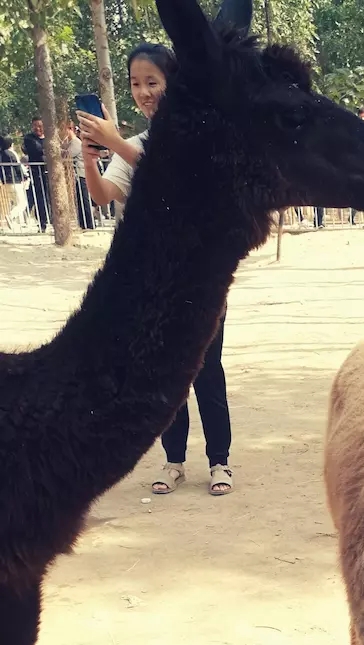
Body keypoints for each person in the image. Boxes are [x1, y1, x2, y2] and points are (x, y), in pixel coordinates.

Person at [79, 43, 234, 497]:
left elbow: (174, 178)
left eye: (152, 82)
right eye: (135, 84)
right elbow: (104, 195)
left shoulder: (198, 136)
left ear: (173, 84)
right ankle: (173, 460)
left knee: (208, 370)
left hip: (200, 280)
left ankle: (220, 461)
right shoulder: (136, 144)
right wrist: (90, 158)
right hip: (150, 282)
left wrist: (113, 142)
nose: (144, 92)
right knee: (165, 375)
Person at [61, 121, 94, 230]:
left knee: (84, 200)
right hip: (77, 175)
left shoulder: (75, 143)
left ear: (70, 129)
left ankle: (89, 224)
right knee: (80, 200)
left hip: (81, 174)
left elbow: (67, 155)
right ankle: (83, 224)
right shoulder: (70, 142)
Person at [23, 116, 49, 232]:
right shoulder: (29, 138)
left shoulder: (49, 137)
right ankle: (42, 223)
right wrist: (47, 150)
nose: (37, 128)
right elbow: (36, 150)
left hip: (50, 173)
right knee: (40, 198)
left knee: (50, 198)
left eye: (40, 126)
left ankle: (51, 220)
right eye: (35, 126)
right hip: (36, 173)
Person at [0, 133, 27, 230]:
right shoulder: (11, 154)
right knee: (22, 203)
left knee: (16, 203)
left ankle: (16, 223)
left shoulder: (1, 154)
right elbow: (17, 166)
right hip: (15, 181)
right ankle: (11, 216)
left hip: (6, 182)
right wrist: (23, 176)